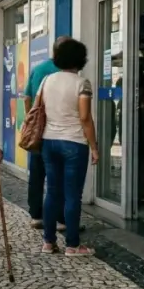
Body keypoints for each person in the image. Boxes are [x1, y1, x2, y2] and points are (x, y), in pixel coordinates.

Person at [38, 39, 98, 256]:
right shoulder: (82, 83)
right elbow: (85, 117)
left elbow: (41, 110)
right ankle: (72, 245)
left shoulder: (47, 80)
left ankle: (48, 242)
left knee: (52, 192)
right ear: (80, 59)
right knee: (73, 195)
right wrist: (94, 146)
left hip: (49, 141)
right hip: (74, 143)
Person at [23, 36, 71, 230]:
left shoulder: (38, 69)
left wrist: (31, 119)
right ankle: (60, 218)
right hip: (60, 131)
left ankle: (36, 215)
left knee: (36, 173)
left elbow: (27, 97)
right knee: (58, 176)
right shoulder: (67, 72)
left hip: (39, 131)